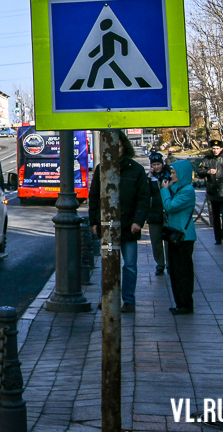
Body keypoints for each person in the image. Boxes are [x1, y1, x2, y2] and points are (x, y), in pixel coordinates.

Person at [89, 130, 151, 313]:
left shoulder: (136, 170)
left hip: (128, 228)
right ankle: (106, 297)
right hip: (108, 228)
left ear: (125, 147)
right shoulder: (102, 168)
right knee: (108, 262)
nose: (117, 149)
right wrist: (94, 221)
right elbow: (94, 197)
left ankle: (129, 300)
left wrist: (138, 222)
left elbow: (143, 198)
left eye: (120, 145)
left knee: (130, 265)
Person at [160, 158, 197, 314]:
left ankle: (185, 303)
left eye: (174, 173)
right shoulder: (177, 188)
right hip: (174, 235)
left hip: (183, 237)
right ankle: (179, 302)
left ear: (182, 174)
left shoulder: (187, 191)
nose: (171, 175)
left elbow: (170, 206)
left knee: (182, 271)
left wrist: (164, 190)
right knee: (174, 270)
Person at [197, 138, 223, 244]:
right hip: (213, 191)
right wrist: (207, 171)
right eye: (213, 148)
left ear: (221, 149)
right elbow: (199, 172)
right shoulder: (206, 159)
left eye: (217, 148)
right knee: (215, 216)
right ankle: (217, 238)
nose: (215, 150)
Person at [146, 152, 168, 275]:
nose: (156, 167)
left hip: (167, 211)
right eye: (154, 164)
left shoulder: (168, 175)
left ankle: (170, 263)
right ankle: (160, 263)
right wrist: (149, 178)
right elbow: (144, 193)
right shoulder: (148, 178)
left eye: (158, 164)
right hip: (153, 212)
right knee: (156, 241)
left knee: (169, 240)